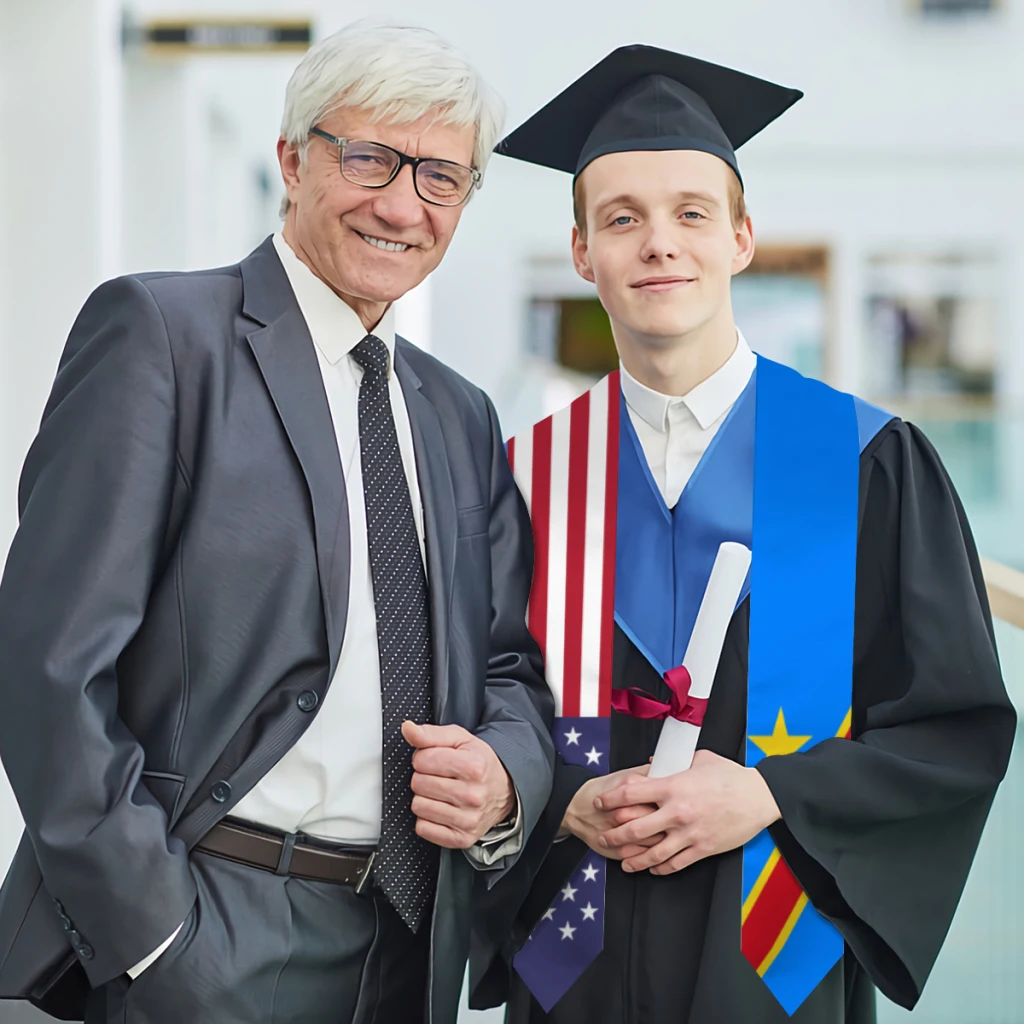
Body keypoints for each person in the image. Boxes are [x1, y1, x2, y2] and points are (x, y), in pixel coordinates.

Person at [0, 20, 554, 1024]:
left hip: (404, 943)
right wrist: (154, 937)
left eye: (440, 176)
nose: (401, 204)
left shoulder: (458, 413)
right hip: (204, 928)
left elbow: (508, 664)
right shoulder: (164, 340)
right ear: (292, 160)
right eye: (370, 157)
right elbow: (49, 665)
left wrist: (505, 777)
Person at [469, 44, 1016, 1024]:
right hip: (571, 959)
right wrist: (557, 801)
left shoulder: (866, 463)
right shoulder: (522, 478)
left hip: (773, 962)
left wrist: (773, 796)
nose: (657, 243)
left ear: (742, 238)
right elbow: (469, 713)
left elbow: (950, 728)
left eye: (690, 212)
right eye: (621, 218)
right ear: (582, 252)